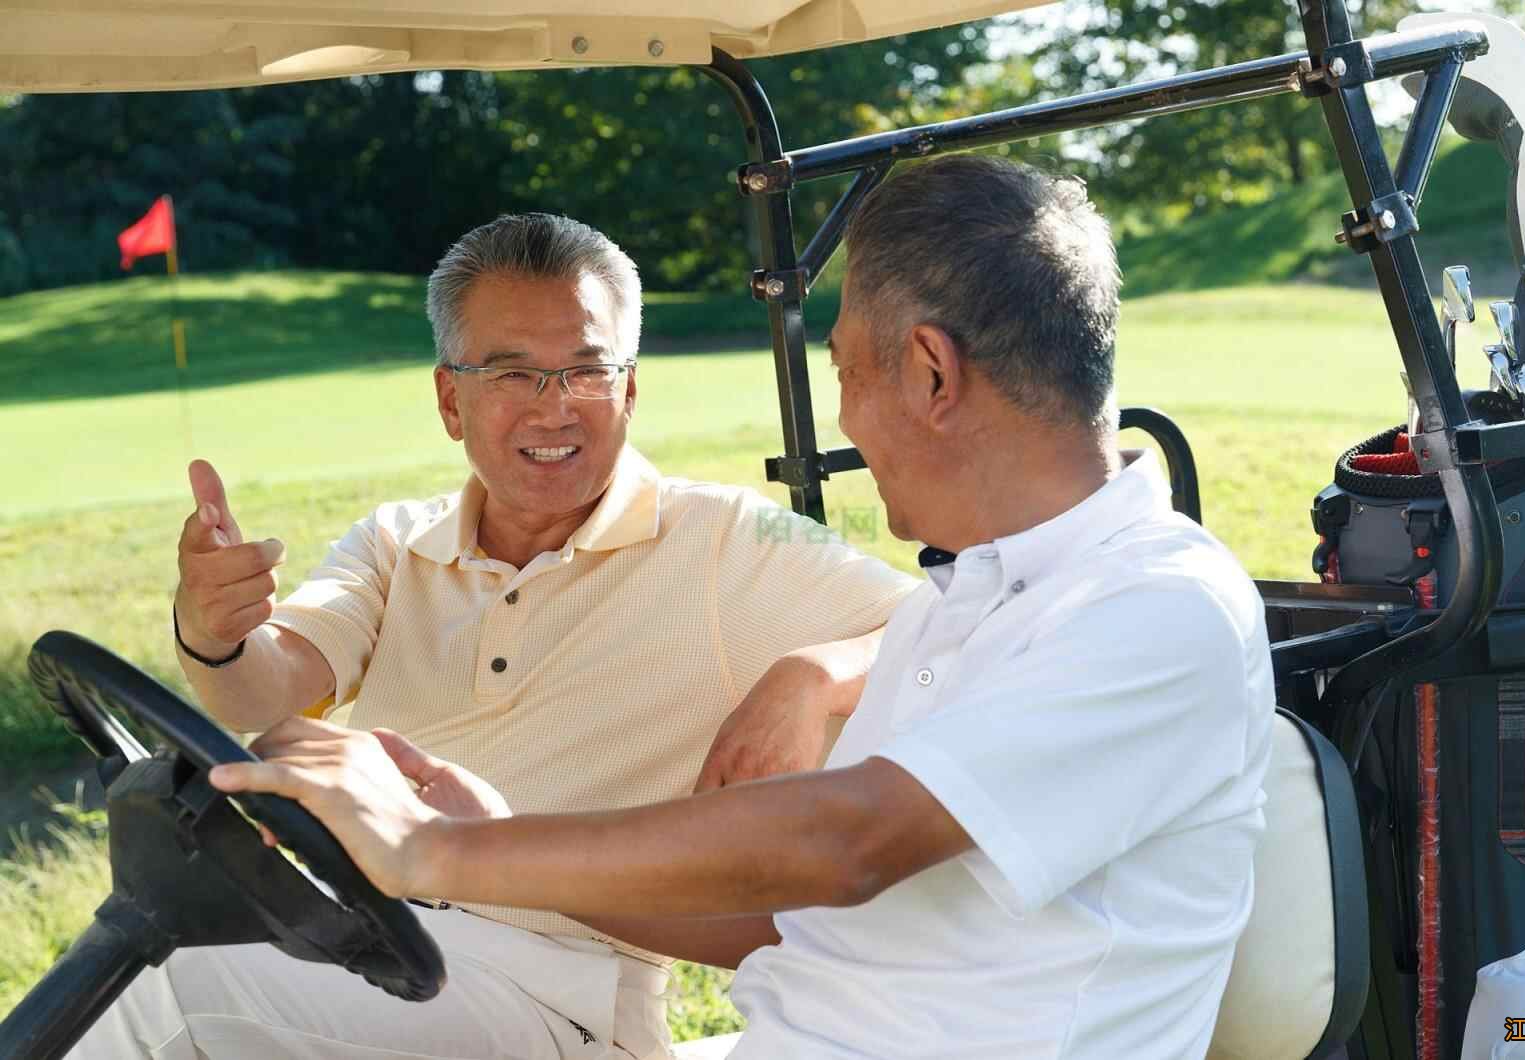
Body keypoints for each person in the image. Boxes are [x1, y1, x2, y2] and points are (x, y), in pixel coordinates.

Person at [211, 155, 1276, 1059]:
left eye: (845, 371)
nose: (848, 416)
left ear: (931, 374)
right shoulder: (970, 601)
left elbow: (846, 841)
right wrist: (491, 832)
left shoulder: (1156, 603)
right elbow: (786, 918)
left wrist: (432, 853)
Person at [71, 213, 917, 1060]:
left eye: (587, 370)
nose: (556, 408)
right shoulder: (396, 543)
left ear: (629, 388)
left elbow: (954, 623)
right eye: (513, 373)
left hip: (557, 990)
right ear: (451, 399)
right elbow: (265, 685)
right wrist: (214, 630)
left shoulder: (726, 540)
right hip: (363, 925)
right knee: (159, 943)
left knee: (161, 982)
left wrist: (815, 672)